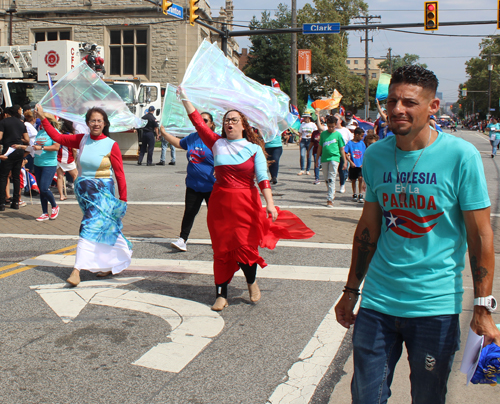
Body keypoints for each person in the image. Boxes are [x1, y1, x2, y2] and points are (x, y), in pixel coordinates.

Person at [334, 65, 500, 404]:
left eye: (409, 102)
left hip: (434, 308)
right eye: (392, 101)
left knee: (427, 398)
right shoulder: (377, 154)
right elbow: (368, 229)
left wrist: (483, 307)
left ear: (433, 106)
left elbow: (481, 236)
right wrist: (351, 291)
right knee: (365, 398)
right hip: (378, 304)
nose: (397, 109)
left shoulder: (460, 156)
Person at [177, 87, 314, 311]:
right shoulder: (216, 143)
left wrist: (269, 203)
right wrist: (184, 98)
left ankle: (251, 282)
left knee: (245, 248)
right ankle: (221, 294)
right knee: (220, 249)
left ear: (243, 125)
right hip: (220, 204)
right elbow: (198, 123)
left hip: (246, 204)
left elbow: (262, 178)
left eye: (234, 119)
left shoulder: (253, 149)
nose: (229, 123)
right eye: (226, 120)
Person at [35, 104, 131, 287]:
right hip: (85, 193)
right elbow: (57, 137)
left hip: (104, 194)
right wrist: (43, 118)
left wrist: (123, 199)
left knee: (88, 226)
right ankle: (111, 262)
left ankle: (77, 270)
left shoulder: (112, 145)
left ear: (104, 124)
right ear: (87, 123)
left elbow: (119, 174)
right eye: (92, 120)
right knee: (105, 227)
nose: (96, 123)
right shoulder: (81, 140)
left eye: (99, 121)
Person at [159, 112, 216, 252]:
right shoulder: (192, 138)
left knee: (215, 216)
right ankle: (182, 240)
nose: (201, 122)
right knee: (189, 213)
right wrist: (164, 133)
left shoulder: (216, 140)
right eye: (198, 120)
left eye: (205, 120)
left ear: (212, 124)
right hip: (193, 185)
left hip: (212, 186)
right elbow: (179, 143)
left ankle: (218, 240)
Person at [14, 113, 61, 221]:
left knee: (44, 188)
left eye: (43, 121)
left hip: (49, 164)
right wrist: (20, 146)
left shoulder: (54, 132)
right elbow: (34, 147)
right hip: (38, 163)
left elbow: (56, 147)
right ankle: (44, 212)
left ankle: (55, 206)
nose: (41, 123)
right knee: (41, 190)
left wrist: (42, 147)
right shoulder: (40, 132)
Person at [0, 106, 29, 211]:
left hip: (8, 151)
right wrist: (18, 138)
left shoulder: (3, 122)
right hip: (19, 150)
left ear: (6, 114)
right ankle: (16, 201)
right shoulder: (21, 123)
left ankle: (2, 202)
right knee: (16, 177)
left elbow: (0, 137)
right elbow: (27, 139)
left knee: (3, 176)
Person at [316, 116, 347, 208]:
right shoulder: (323, 134)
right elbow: (320, 147)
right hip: (325, 158)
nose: (331, 128)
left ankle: (330, 199)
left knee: (331, 177)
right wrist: (317, 159)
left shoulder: (338, 135)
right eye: (329, 126)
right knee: (326, 178)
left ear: (335, 125)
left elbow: (342, 149)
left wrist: (344, 161)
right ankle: (331, 192)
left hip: (335, 158)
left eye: (332, 126)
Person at [56, 119, 78, 200]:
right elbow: (74, 150)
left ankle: (61, 195)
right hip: (69, 158)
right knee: (75, 175)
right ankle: (77, 193)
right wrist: (75, 159)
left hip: (59, 157)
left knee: (60, 177)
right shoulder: (71, 136)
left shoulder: (59, 135)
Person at [344, 127, 366, 203]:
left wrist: (363, 163)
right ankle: (354, 193)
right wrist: (350, 162)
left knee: (360, 178)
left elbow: (365, 153)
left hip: (360, 165)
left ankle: (360, 194)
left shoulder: (362, 143)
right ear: (357, 135)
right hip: (353, 165)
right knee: (353, 180)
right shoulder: (350, 143)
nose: (362, 138)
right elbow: (345, 153)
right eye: (361, 136)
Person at [334, 113, 353, 193]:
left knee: (342, 170)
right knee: (333, 170)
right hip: (333, 153)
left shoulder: (345, 130)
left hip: (343, 153)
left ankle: (342, 184)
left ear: (341, 121)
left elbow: (350, 141)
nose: (335, 121)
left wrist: (349, 151)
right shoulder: (331, 130)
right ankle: (332, 186)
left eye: (336, 120)